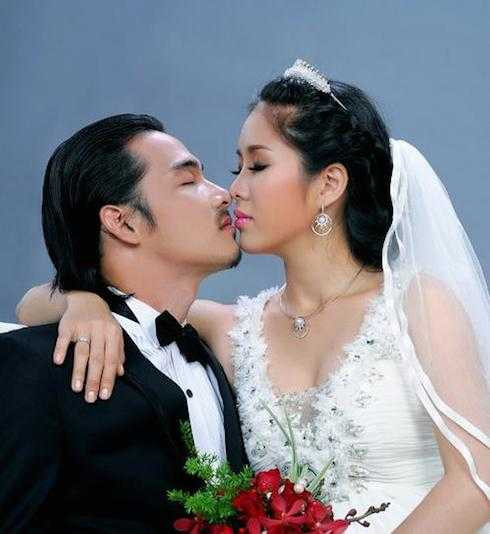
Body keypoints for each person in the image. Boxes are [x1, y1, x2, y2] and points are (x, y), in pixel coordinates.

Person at [17, 60, 490, 532]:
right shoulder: (231, 328)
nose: (233, 190)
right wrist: (86, 302)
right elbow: (34, 305)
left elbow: (478, 479)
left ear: (328, 184)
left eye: (258, 166)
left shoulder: (415, 304)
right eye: (237, 167)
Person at [0, 113, 248, 531]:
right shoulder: (34, 365)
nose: (224, 195)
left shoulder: (215, 352)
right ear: (123, 222)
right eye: (188, 181)